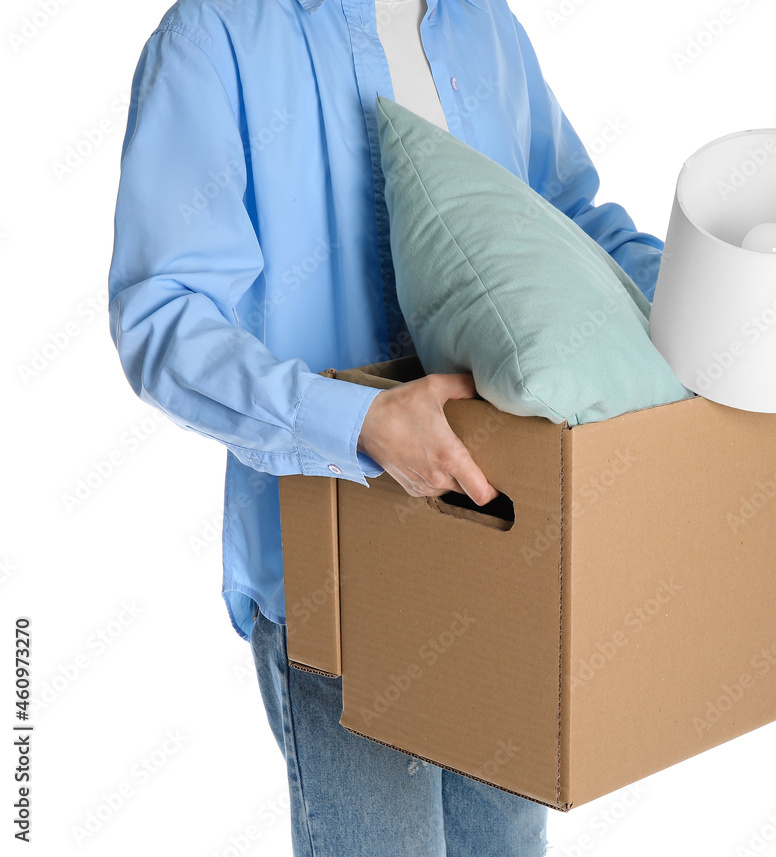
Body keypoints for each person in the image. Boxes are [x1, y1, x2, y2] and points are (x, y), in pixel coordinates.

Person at [108, 0, 665, 853]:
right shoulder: (217, 34)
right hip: (338, 573)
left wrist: (713, 306)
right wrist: (357, 421)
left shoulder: (482, 25)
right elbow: (164, 319)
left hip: (504, 545)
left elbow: (572, 222)